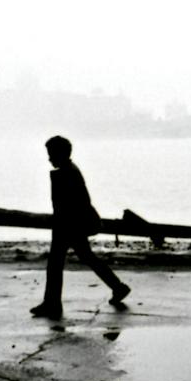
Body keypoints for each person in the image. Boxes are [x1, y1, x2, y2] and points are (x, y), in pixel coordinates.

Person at [30, 136, 131, 318]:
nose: (49, 158)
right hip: (73, 224)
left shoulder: (66, 173)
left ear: (60, 154)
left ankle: (52, 303)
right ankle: (118, 287)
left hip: (68, 225)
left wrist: (61, 225)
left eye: (51, 154)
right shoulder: (70, 170)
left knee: (56, 264)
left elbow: (67, 205)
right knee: (86, 258)